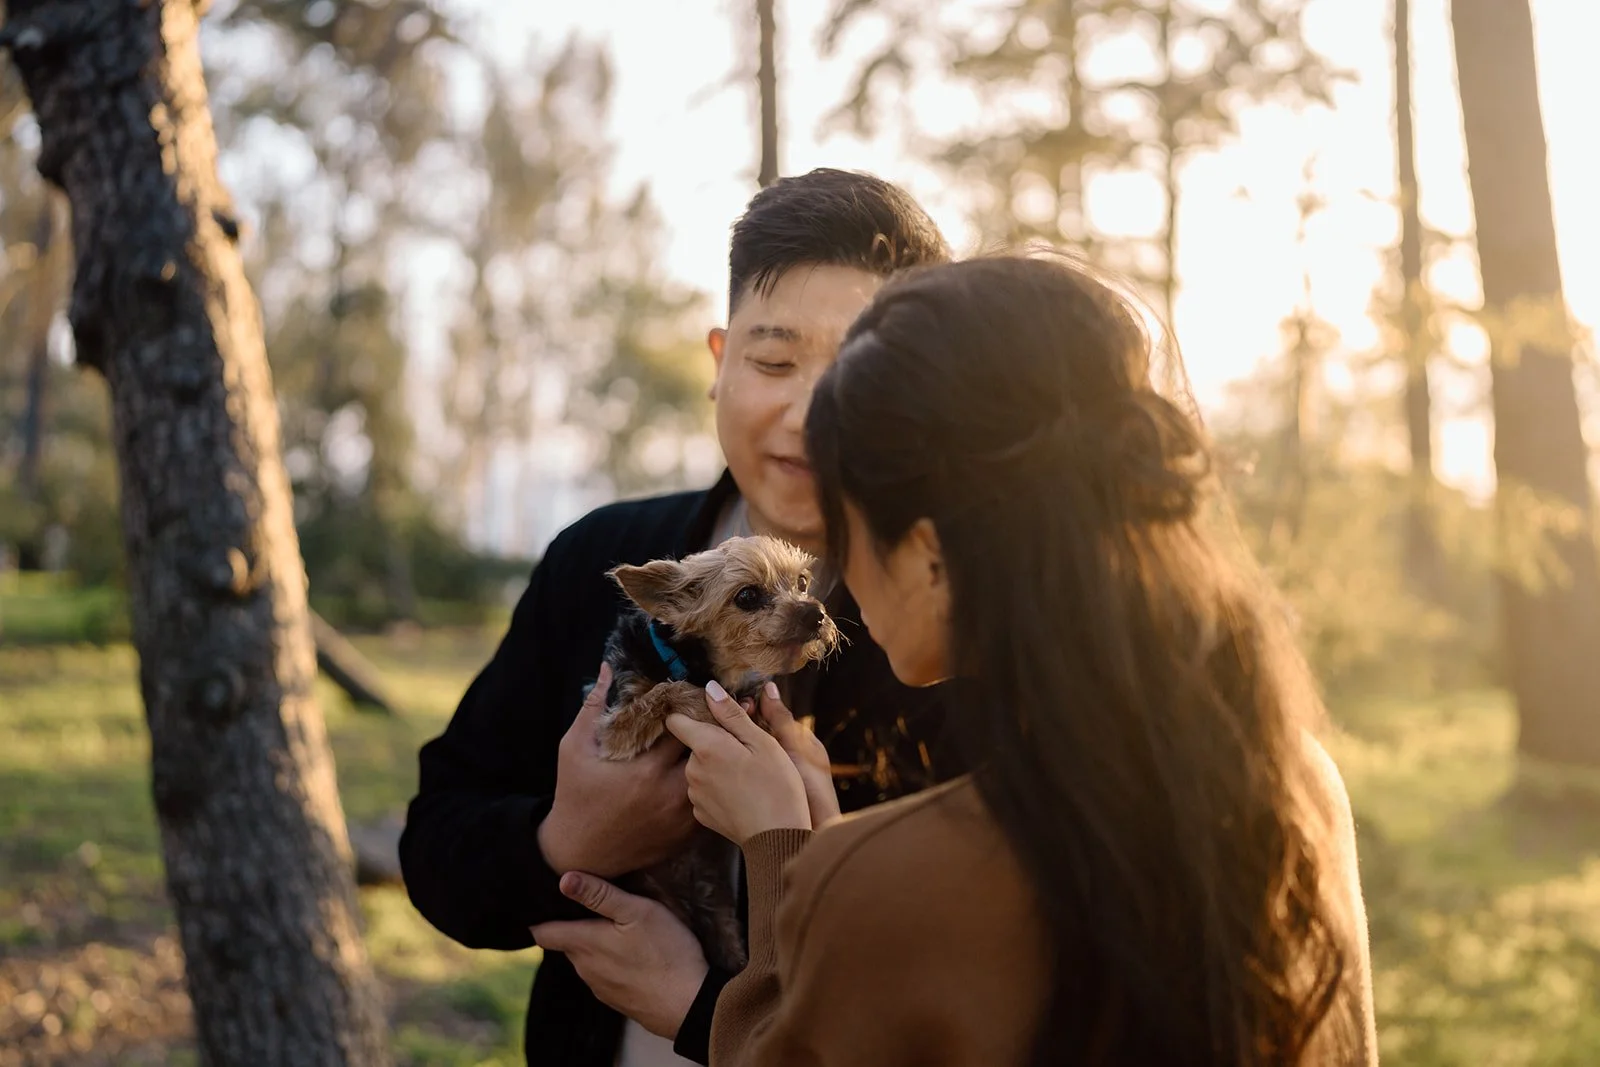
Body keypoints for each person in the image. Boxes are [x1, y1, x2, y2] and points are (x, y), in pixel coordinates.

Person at [656, 254, 1380, 1065]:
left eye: (843, 527)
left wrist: (786, 853)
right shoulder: (1294, 781)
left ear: (928, 552)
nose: (839, 579)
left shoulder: (887, 881)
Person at [398, 169, 956, 1067]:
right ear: (719, 360)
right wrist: (565, 840)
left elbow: (967, 995)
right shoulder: (598, 561)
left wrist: (703, 1012)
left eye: (858, 372)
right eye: (773, 362)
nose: (807, 413)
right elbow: (436, 846)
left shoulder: (958, 637)